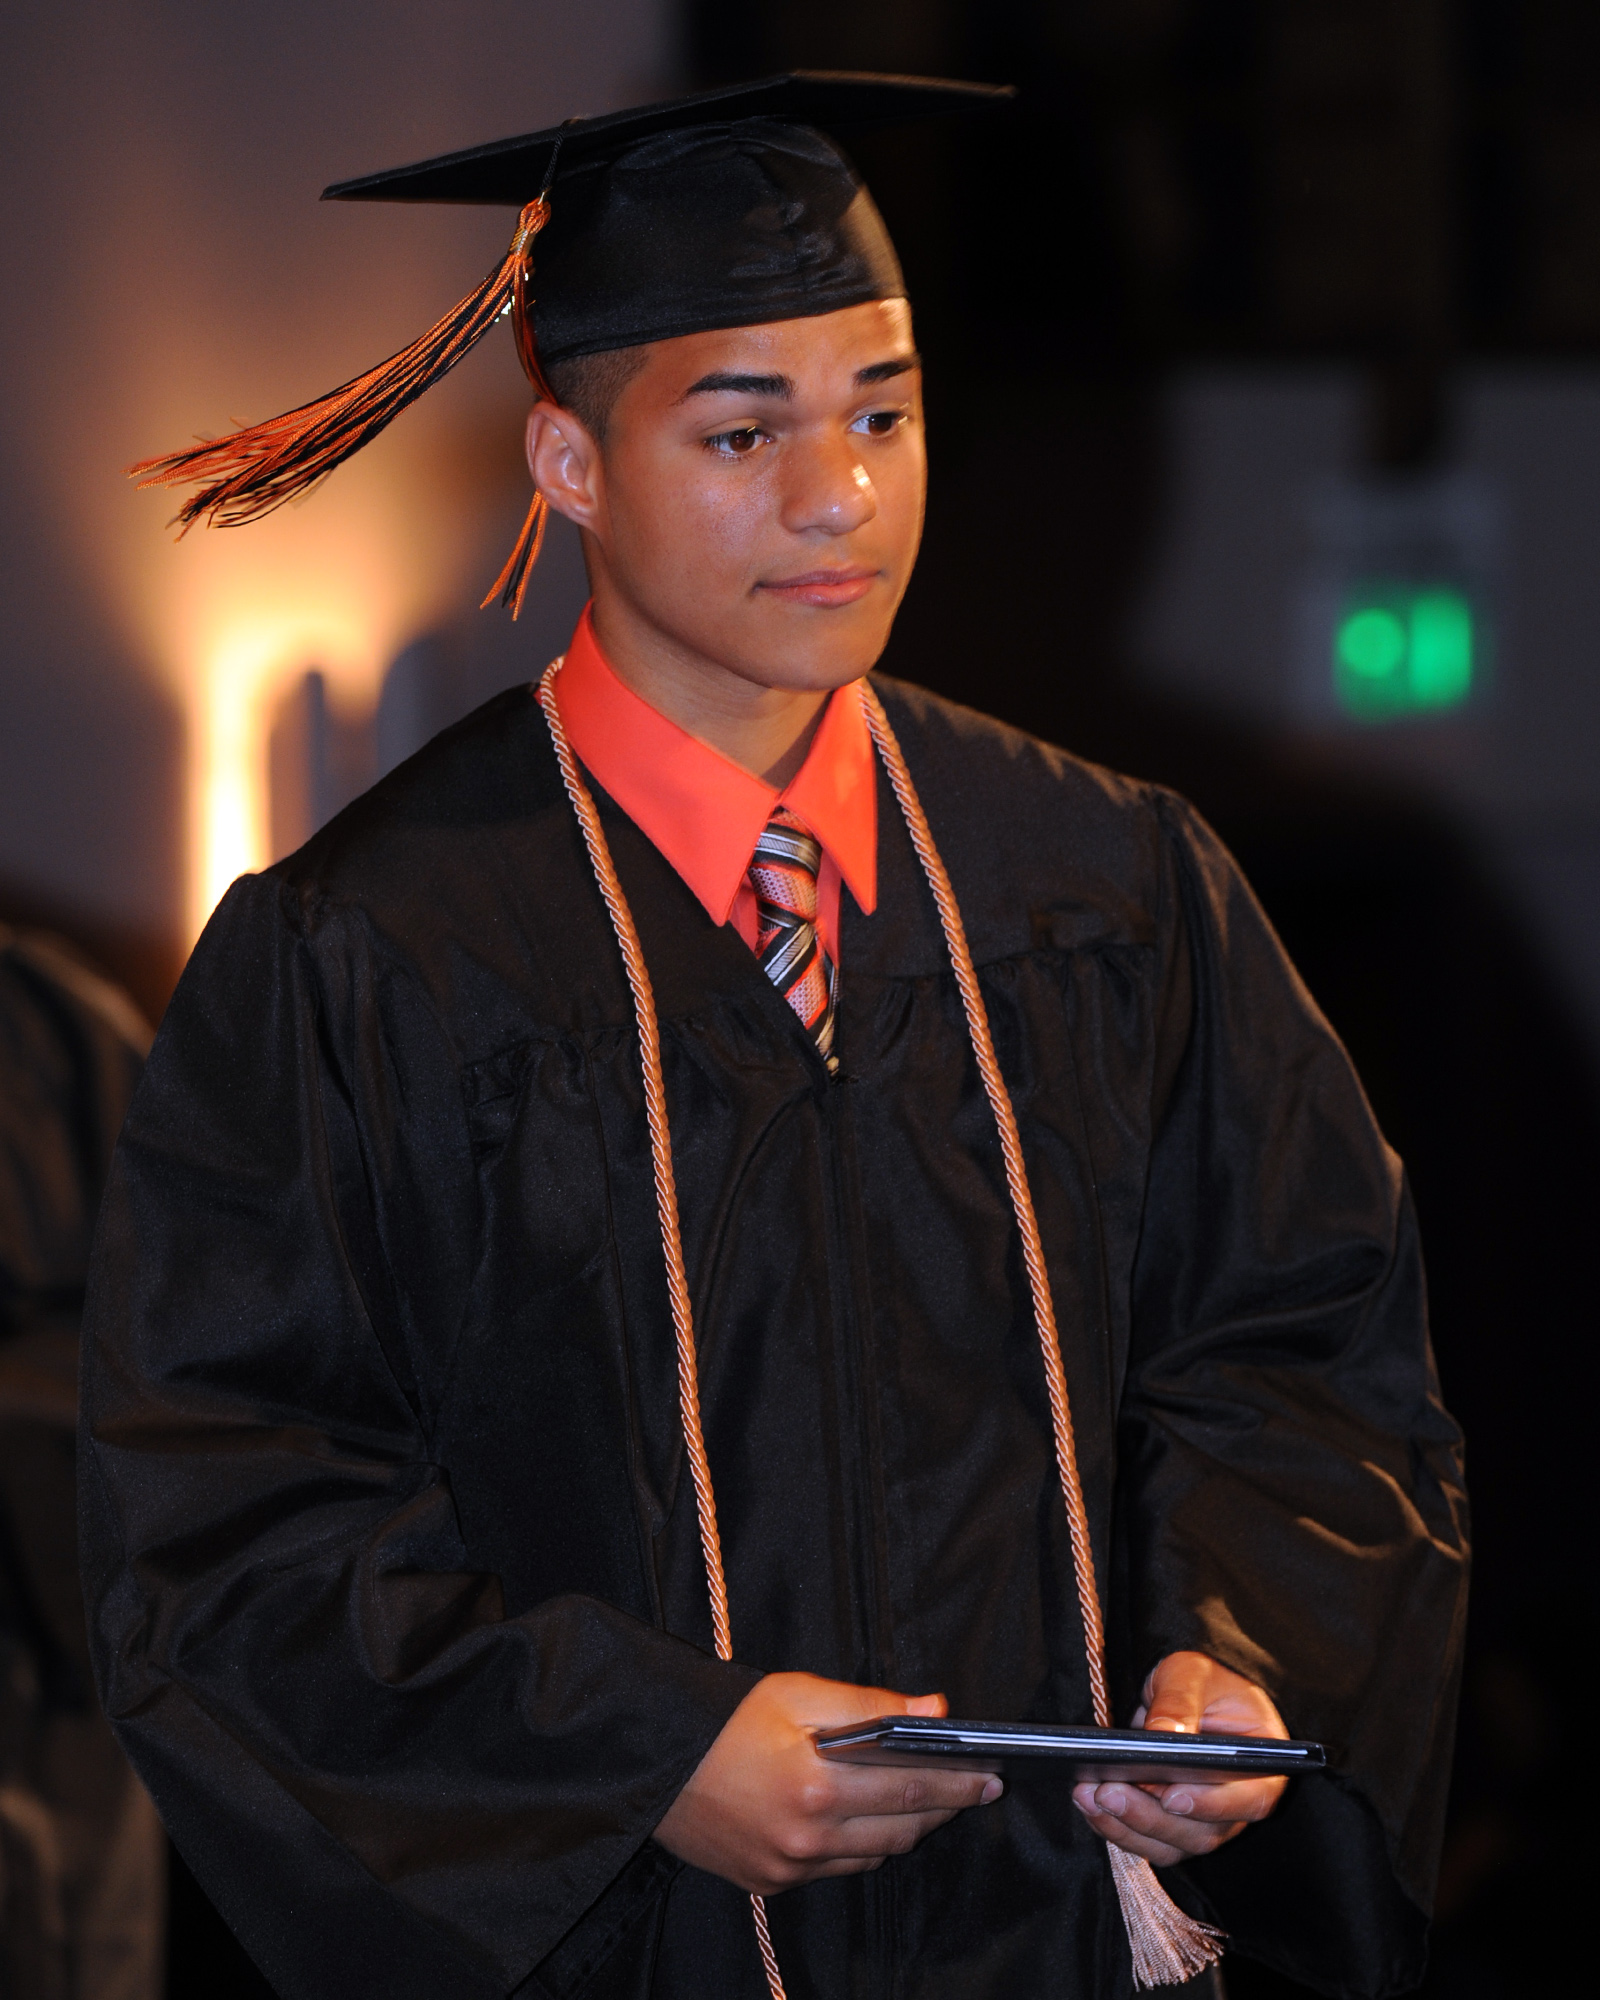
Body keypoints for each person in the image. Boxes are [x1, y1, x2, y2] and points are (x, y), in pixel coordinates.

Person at [83, 74, 1468, 2000]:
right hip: (641, 1949)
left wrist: (1227, 1654)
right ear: (567, 465)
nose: (842, 495)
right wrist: (640, 1754)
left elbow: (1306, 1357)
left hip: (1063, 1942)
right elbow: (222, 1538)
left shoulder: (1108, 887)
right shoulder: (367, 960)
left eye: (883, 412)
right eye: (744, 428)